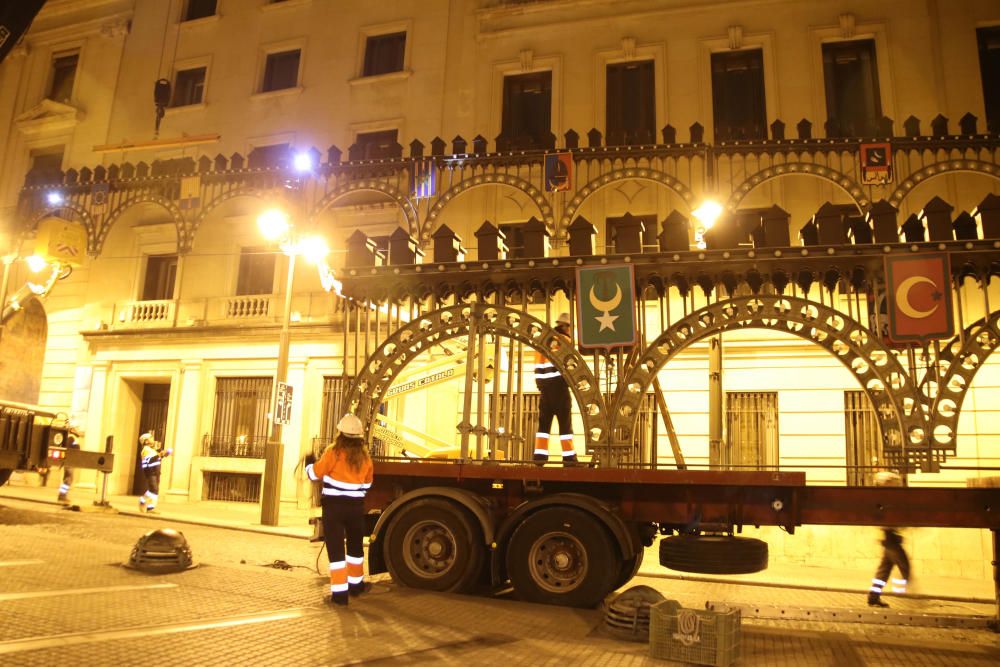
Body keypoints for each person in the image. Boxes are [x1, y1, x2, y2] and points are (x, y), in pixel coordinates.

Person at [305, 414, 374, 607]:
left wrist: (309, 464)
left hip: (334, 508)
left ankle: (340, 596)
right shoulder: (366, 458)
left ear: (340, 433)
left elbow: (315, 473)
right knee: (355, 549)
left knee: (336, 552)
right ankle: (356, 586)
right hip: (355, 509)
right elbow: (367, 484)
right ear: (360, 436)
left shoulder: (333, 453)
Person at [533, 312, 578, 466]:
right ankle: (569, 458)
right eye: (570, 327)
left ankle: (539, 458)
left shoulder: (542, 341)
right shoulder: (564, 341)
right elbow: (571, 364)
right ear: (565, 326)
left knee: (543, 426)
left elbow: (538, 366)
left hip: (545, 390)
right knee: (565, 425)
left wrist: (541, 384)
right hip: (560, 387)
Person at [867, 471, 911, 608]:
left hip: (890, 538)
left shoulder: (885, 499)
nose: (898, 486)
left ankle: (873, 596)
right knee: (905, 567)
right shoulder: (884, 499)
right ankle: (903, 592)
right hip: (890, 539)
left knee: (884, 570)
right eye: (895, 483)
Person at [138, 432, 172, 513]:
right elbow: (150, 460)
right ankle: (149, 506)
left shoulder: (152, 450)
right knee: (154, 489)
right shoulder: (146, 450)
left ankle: (145, 502)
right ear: (146, 441)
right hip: (151, 472)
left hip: (156, 471)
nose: (153, 439)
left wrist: (164, 454)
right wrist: (160, 455)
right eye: (151, 438)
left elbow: (157, 459)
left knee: (153, 489)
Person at [57, 427, 82, 503]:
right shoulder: (71, 438)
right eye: (76, 430)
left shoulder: (72, 438)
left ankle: (62, 495)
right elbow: (73, 449)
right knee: (68, 480)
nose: (78, 431)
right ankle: (62, 495)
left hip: (70, 462)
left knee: (68, 479)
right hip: (69, 462)